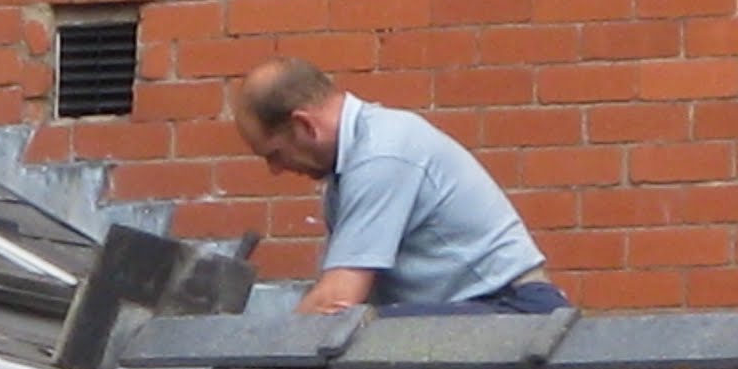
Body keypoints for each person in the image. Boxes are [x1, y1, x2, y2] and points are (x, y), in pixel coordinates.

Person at [233, 57, 572, 316]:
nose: (275, 170)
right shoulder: (352, 166)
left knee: (358, 329)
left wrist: (262, 354)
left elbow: (336, 301)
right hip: (476, 310)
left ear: (304, 125)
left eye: (275, 154)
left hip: (513, 311)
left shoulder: (381, 155)